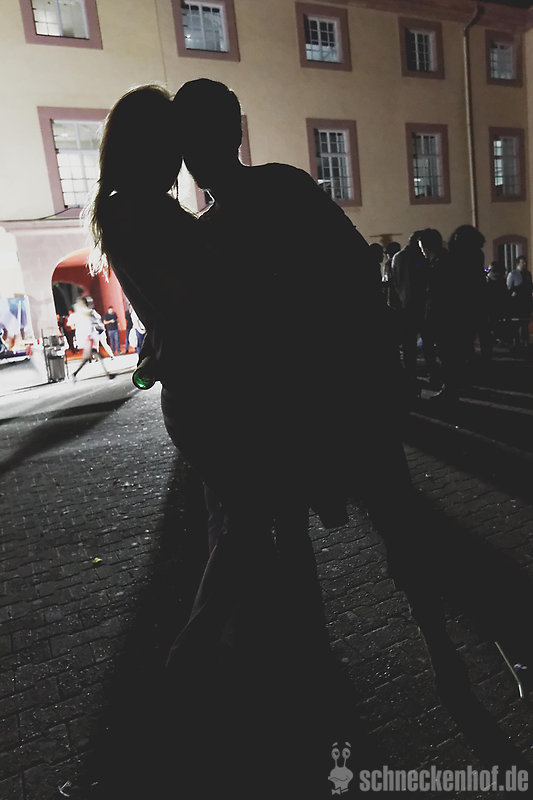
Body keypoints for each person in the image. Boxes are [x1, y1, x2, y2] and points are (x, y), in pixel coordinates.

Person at [168, 78, 419, 681]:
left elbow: (352, 270)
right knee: (363, 525)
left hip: (301, 402)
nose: (195, 158)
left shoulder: (221, 223)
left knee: (305, 530)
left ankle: (321, 652)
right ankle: (393, 645)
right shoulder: (276, 189)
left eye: (197, 141)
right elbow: (356, 267)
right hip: (315, 398)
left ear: (227, 137)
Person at [417, 228, 463, 402]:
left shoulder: (439, 264)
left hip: (443, 316)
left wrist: (428, 314)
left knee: (446, 354)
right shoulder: (447, 259)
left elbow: (435, 293)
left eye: (422, 247)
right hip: (450, 315)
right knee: (448, 354)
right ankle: (451, 388)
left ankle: (449, 391)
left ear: (427, 246)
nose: (422, 251)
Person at [389, 231, 428, 400]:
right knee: (425, 341)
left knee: (408, 347)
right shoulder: (417, 257)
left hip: (403, 308)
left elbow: (394, 284)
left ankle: (411, 376)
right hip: (419, 306)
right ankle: (428, 373)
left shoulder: (397, 258)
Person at [448, 224, 490, 365]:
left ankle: (468, 357)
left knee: (466, 331)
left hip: (462, 296)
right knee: (481, 329)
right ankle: (485, 358)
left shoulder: (455, 254)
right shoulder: (478, 253)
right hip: (478, 295)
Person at [69, 296, 115, 381]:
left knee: (89, 358)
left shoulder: (79, 314)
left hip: (86, 337)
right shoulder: (88, 312)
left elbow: (71, 325)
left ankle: (75, 373)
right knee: (95, 356)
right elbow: (96, 322)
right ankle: (108, 374)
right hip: (89, 337)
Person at [507, 255, 532, 347]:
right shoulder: (513, 274)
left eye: (525, 262)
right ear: (518, 263)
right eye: (522, 262)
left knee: (525, 323)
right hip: (516, 302)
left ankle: (525, 341)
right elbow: (509, 288)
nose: (524, 264)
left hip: (526, 302)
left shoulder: (528, 274)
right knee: (516, 323)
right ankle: (516, 342)